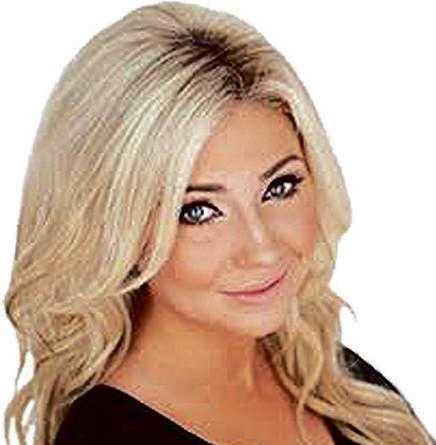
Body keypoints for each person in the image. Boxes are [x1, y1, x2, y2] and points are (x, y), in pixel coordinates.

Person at [3, 2, 434, 445]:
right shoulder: (107, 436)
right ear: (117, 230)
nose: (262, 248)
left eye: (280, 187)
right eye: (198, 211)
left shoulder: (339, 383)